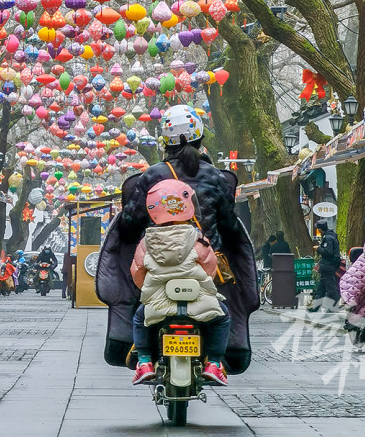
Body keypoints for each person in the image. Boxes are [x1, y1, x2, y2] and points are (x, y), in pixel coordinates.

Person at [97, 104, 258, 374]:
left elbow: (129, 224)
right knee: (220, 308)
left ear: (165, 142)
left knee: (142, 304)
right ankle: (216, 361)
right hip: (204, 267)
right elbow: (230, 226)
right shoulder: (215, 177)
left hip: (156, 264)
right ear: (200, 137)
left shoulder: (151, 176)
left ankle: (141, 354)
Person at [130, 178, 231, 387]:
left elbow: (138, 272)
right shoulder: (198, 239)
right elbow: (211, 269)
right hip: (198, 301)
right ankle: (213, 363)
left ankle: (144, 362)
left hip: (158, 304)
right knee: (222, 318)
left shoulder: (146, 242)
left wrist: (148, 292)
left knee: (140, 319)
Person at [311, 220, 341, 310]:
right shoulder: (331, 236)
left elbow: (328, 252)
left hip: (328, 265)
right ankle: (316, 307)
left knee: (331, 287)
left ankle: (334, 306)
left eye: (318, 228)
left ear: (320, 229)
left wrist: (318, 249)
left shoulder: (328, 238)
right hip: (327, 266)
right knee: (321, 288)